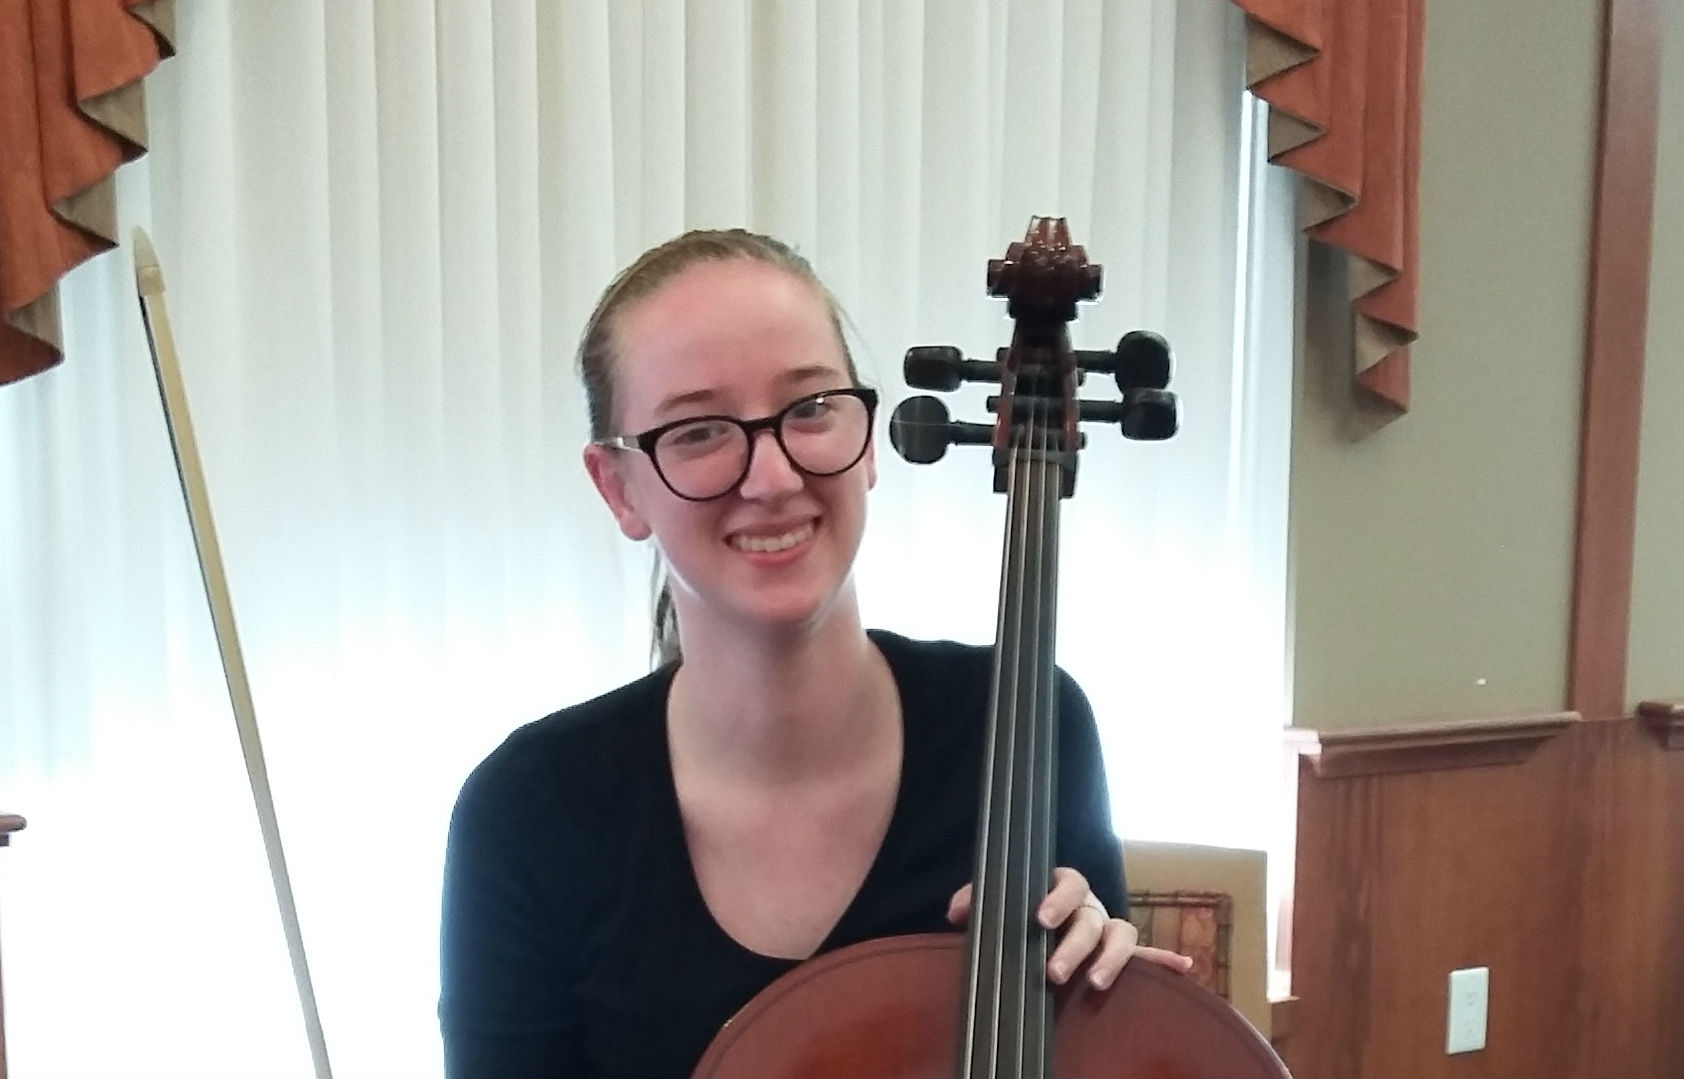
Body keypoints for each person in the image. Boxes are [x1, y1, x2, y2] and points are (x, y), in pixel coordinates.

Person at [438, 229, 1190, 1078]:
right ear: (618, 487)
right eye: (697, 431)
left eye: (810, 410)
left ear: (869, 441)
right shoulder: (531, 813)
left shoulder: (1032, 720)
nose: (771, 477)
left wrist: (1119, 1017)